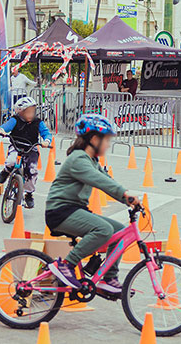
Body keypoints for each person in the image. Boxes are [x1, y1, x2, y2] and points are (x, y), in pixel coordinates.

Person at [44, 114, 141, 294]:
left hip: (74, 210)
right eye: (107, 140)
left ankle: (109, 278)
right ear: (95, 139)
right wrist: (125, 195)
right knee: (103, 229)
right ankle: (67, 265)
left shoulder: (91, 160)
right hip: (61, 211)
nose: (108, 145)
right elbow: (99, 181)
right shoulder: (78, 159)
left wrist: (126, 199)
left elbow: (106, 178)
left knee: (119, 231)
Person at [0, 97, 53, 209]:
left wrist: (46, 141)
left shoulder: (38, 122)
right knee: (11, 161)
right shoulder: (15, 120)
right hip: (16, 145)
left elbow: (46, 133)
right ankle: (6, 171)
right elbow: (6, 126)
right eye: (28, 112)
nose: (31, 114)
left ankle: (29, 194)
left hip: (31, 147)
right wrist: (2, 130)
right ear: (21, 112)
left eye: (33, 111)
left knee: (32, 171)